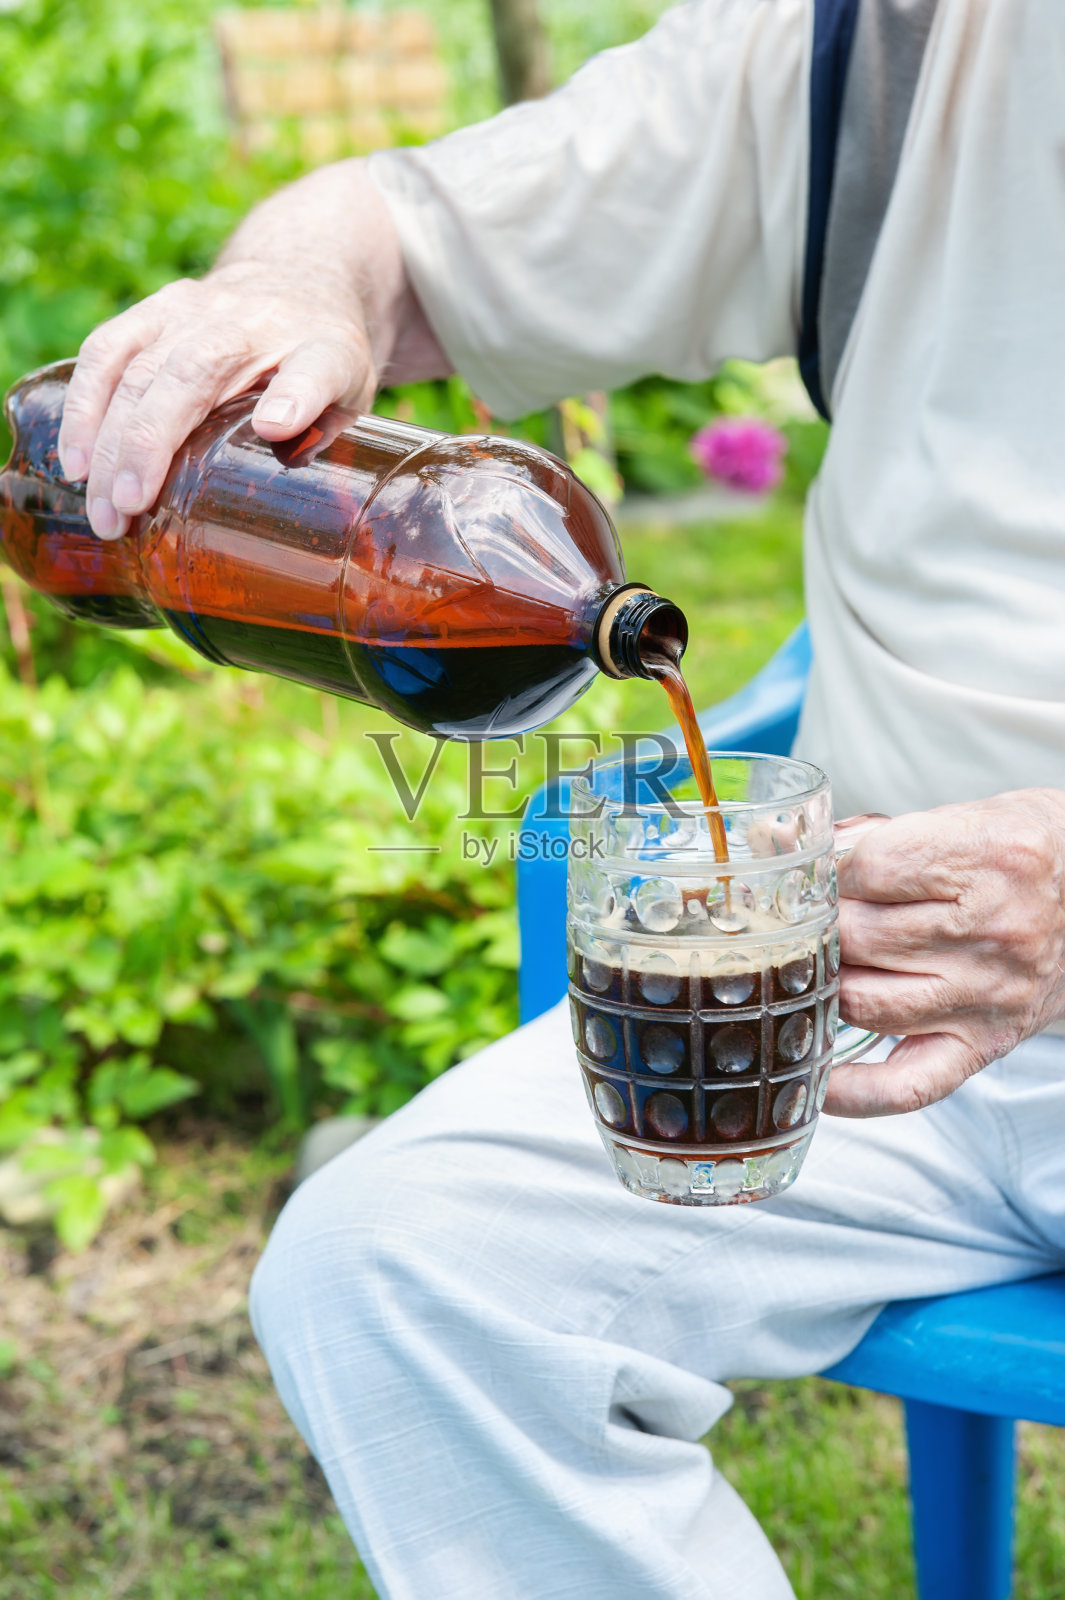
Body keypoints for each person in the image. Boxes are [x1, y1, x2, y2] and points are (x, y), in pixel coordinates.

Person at [58, 1, 1065, 1594]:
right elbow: (394, 227)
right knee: (389, 1270)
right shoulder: (882, 44)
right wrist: (291, 287)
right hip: (851, 1001)